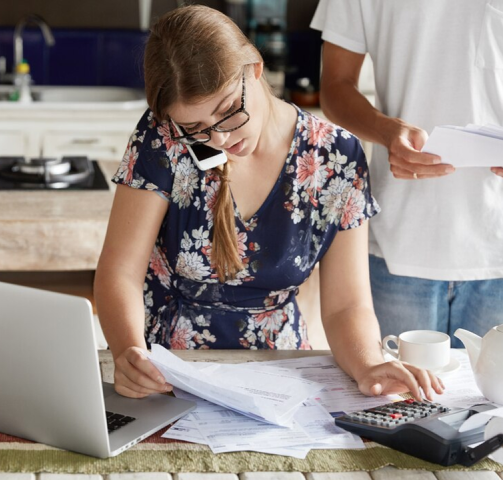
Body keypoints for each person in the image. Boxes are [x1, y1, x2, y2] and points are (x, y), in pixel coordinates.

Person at [94, 5, 444, 402]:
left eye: (228, 112)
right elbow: (119, 272)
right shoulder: (163, 139)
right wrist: (127, 352)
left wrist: (369, 364)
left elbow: (347, 305)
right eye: (195, 128)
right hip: (167, 373)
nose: (219, 139)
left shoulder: (335, 157)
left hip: (282, 376)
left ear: (255, 68)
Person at [311, 0, 503, 348]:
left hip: (497, 245)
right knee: (395, 399)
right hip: (398, 240)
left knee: (493, 402)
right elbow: (335, 86)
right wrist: (386, 131)